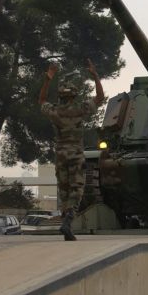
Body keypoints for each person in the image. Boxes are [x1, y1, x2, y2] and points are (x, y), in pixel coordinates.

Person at [39, 59, 104, 241]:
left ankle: (66, 219)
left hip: (60, 153)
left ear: (60, 96)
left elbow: (42, 100)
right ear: (74, 96)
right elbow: (99, 98)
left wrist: (48, 79)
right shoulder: (80, 109)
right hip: (76, 153)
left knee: (64, 188)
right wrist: (95, 76)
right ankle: (68, 219)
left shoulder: (55, 110)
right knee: (77, 188)